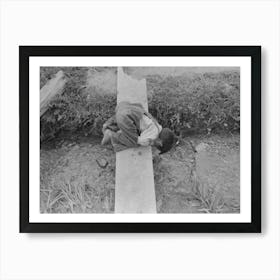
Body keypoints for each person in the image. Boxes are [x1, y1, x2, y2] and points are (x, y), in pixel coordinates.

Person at [101, 101, 175, 154]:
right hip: (125, 118)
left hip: (125, 107)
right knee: (133, 143)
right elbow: (139, 140)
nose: (153, 145)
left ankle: (109, 124)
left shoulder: (157, 125)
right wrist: (148, 143)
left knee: (131, 130)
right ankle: (111, 134)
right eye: (156, 146)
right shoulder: (153, 135)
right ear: (160, 142)